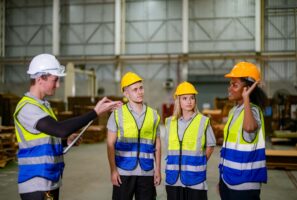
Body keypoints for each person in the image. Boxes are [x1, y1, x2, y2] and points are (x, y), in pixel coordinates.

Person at [13, 53, 122, 200]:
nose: (58, 85)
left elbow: (46, 138)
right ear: (40, 79)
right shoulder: (27, 108)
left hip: (48, 179)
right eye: (55, 80)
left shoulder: (43, 106)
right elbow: (60, 129)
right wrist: (95, 112)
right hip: (36, 180)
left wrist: (65, 141)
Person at [106, 72, 161, 200]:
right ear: (126, 93)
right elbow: (110, 145)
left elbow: (157, 144)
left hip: (146, 171)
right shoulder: (117, 114)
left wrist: (157, 169)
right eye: (135, 89)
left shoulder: (153, 115)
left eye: (141, 88)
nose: (139, 92)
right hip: (123, 172)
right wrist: (113, 170)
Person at [219, 61, 268, 200]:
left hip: (245, 184)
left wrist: (246, 98)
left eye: (234, 85)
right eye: (230, 84)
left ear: (248, 88)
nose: (229, 88)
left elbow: (249, 127)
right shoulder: (234, 111)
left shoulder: (253, 110)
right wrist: (221, 180)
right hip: (228, 179)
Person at [164, 81, 216, 200]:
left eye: (192, 98)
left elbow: (211, 145)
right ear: (178, 101)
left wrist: (200, 161)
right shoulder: (169, 122)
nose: (189, 101)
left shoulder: (203, 121)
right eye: (185, 98)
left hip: (195, 179)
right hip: (173, 179)